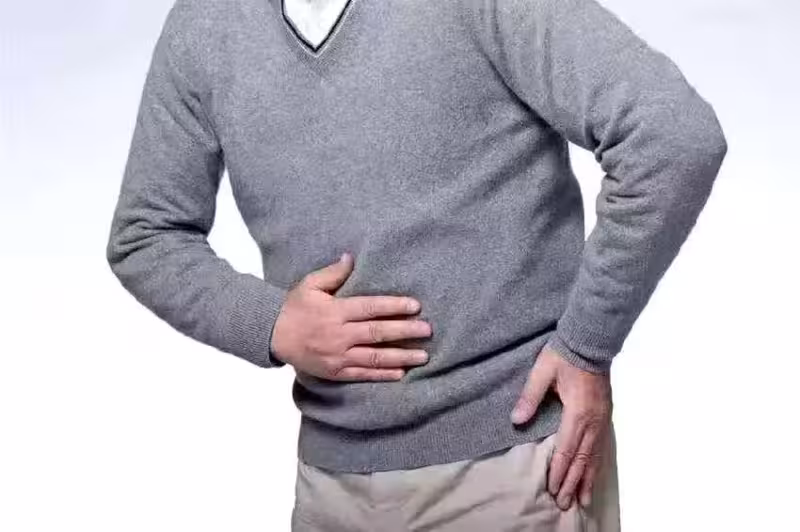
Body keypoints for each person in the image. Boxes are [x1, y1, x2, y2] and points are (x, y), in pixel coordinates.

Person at [105, 0, 727, 529]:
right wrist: (272, 324)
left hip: (515, 473)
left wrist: (586, 347)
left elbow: (673, 137)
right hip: (330, 486)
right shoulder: (204, 23)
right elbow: (145, 235)